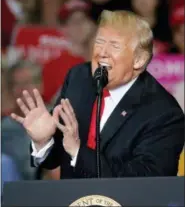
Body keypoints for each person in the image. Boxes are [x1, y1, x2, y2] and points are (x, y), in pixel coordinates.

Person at [11, 10, 184, 178]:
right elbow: (54, 158)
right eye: (99, 42)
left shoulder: (164, 113)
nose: (102, 53)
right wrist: (43, 141)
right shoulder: (78, 78)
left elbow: (145, 181)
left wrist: (79, 152)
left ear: (139, 60)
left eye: (114, 46)